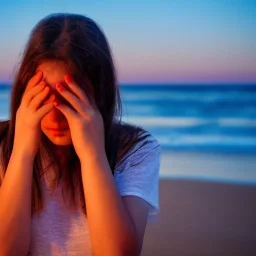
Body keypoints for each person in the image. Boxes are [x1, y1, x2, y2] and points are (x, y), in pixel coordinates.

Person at [0, 13, 162, 256]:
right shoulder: (3, 144)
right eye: (44, 99)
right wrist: (22, 151)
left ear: (100, 94)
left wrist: (92, 155)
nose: (54, 118)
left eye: (69, 100)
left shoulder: (135, 150)